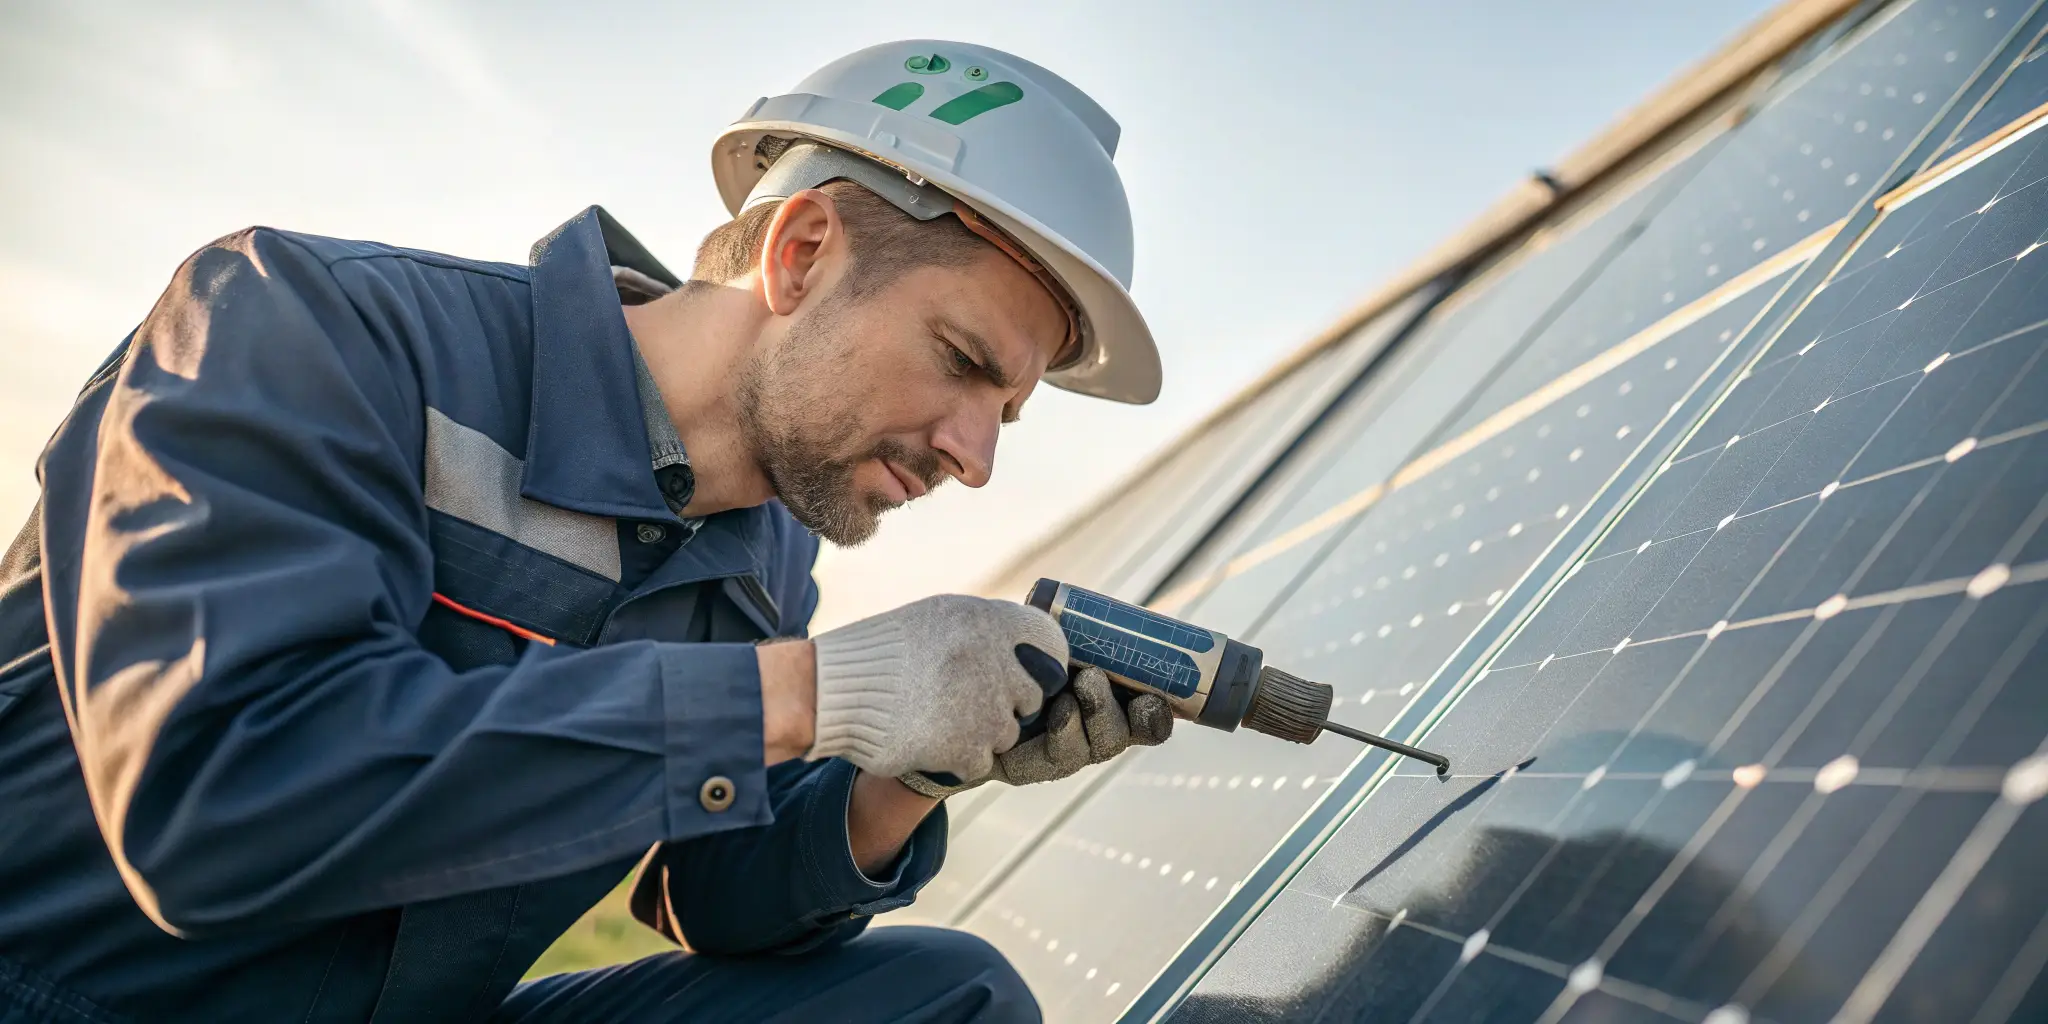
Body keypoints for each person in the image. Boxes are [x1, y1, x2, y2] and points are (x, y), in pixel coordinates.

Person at [0, 41, 1174, 1023]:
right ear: (801, 253)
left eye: (1004, 414)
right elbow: (219, 795)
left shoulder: (765, 558)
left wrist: (905, 772)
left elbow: (706, 896)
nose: (974, 457)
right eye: (962, 364)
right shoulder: (313, 328)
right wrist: (809, 694)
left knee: (941, 1000)